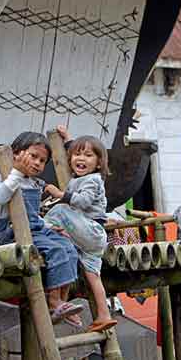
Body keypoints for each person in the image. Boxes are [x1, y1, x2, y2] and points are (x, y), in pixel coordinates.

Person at [0, 131, 83, 326]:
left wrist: (50, 226)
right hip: (13, 234)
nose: (37, 163)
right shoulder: (3, 178)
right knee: (56, 250)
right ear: (15, 153)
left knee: (69, 248)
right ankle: (54, 301)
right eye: (33, 156)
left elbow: (34, 215)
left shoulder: (33, 183)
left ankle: (62, 303)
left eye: (42, 161)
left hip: (36, 231)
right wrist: (15, 172)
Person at [44, 126, 117, 333]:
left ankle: (45, 232)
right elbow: (74, 153)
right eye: (76, 154)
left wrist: (60, 194)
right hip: (91, 237)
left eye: (87, 155)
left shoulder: (93, 180)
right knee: (92, 275)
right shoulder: (79, 178)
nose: (80, 159)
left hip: (91, 229)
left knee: (59, 211)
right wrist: (68, 140)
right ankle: (103, 315)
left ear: (99, 163)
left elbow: (83, 202)